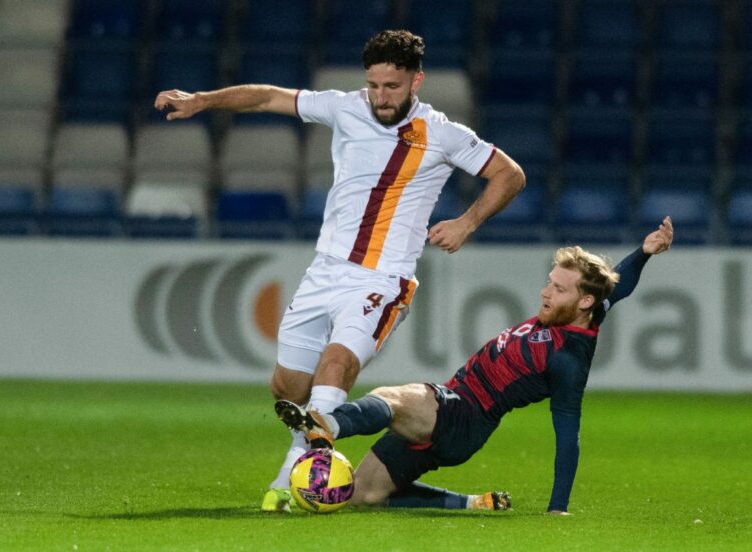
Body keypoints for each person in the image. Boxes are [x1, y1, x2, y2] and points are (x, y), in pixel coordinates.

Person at [154, 30, 526, 512]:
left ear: (417, 80)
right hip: (324, 271)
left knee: (338, 363)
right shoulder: (345, 106)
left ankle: (294, 479)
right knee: (287, 387)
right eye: (374, 84)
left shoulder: (442, 134)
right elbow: (269, 97)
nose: (380, 96)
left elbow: (510, 173)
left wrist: (467, 222)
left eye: (392, 86)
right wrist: (204, 100)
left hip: (383, 278)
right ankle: (314, 453)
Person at [275, 217, 674, 513]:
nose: (545, 291)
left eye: (558, 287)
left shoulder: (568, 361)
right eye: (550, 281)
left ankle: (328, 424)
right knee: (362, 495)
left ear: (583, 302)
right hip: (455, 419)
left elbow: (568, 436)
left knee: (392, 398)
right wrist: (645, 252)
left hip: (465, 412)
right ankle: (470, 503)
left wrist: (558, 507)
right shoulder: (588, 310)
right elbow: (618, 281)